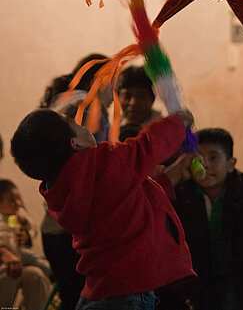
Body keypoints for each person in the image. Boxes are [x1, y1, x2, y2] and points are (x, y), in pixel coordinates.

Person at [11, 107, 196, 310]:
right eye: (76, 124)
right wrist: (176, 123)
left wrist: (173, 174)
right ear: (77, 143)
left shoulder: (61, 191)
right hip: (128, 295)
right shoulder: (102, 162)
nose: (84, 126)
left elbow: (128, 201)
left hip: (100, 292)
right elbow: (144, 148)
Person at [159, 128, 243, 310]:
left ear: (231, 164)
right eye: (198, 158)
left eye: (213, 158)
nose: (205, 164)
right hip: (202, 286)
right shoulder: (184, 193)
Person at [39, 53, 112, 310]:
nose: (116, 95)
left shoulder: (61, 102)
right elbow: (97, 167)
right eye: (114, 83)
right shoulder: (90, 107)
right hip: (75, 231)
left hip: (53, 225)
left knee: (71, 298)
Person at [0, 179, 51, 310]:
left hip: (17, 255)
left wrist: (26, 235)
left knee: (36, 276)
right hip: (5, 261)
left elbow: (31, 228)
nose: (17, 203)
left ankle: (53, 275)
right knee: (10, 272)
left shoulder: (18, 213)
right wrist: (3, 251)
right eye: (12, 200)